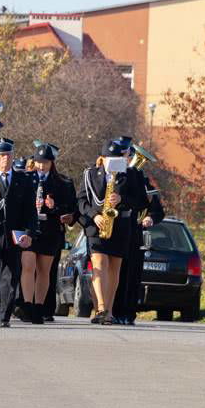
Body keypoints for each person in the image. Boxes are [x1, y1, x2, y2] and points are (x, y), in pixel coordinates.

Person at [77, 139, 149, 325]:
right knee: (99, 262)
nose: (113, 161)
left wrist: (122, 198)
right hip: (97, 226)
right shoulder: (91, 174)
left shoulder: (132, 174)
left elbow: (142, 202)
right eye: (109, 158)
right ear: (102, 158)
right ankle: (100, 307)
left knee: (114, 268)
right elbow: (81, 200)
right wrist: (94, 215)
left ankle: (108, 310)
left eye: (117, 157)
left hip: (121, 225)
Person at [0, 139, 36, 327]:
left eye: (8, 155)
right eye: (1, 155)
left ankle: (4, 316)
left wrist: (29, 233)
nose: (5, 159)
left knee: (11, 276)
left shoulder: (23, 180)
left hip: (14, 235)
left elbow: (30, 211)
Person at [19, 143, 76, 324]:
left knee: (44, 270)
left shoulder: (63, 183)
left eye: (45, 162)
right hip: (29, 229)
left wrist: (55, 207)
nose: (41, 166)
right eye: (38, 162)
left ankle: (39, 306)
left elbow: (70, 209)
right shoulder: (26, 178)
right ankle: (27, 304)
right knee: (28, 266)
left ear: (52, 163)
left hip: (49, 230)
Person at [112, 138, 165, 325]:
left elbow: (156, 208)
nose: (127, 159)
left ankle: (128, 313)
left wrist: (151, 217)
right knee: (117, 274)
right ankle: (114, 310)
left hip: (134, 234)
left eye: (128, 156)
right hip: (115, 231)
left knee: (132, 275)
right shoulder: (110, 177)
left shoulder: (141, 181)